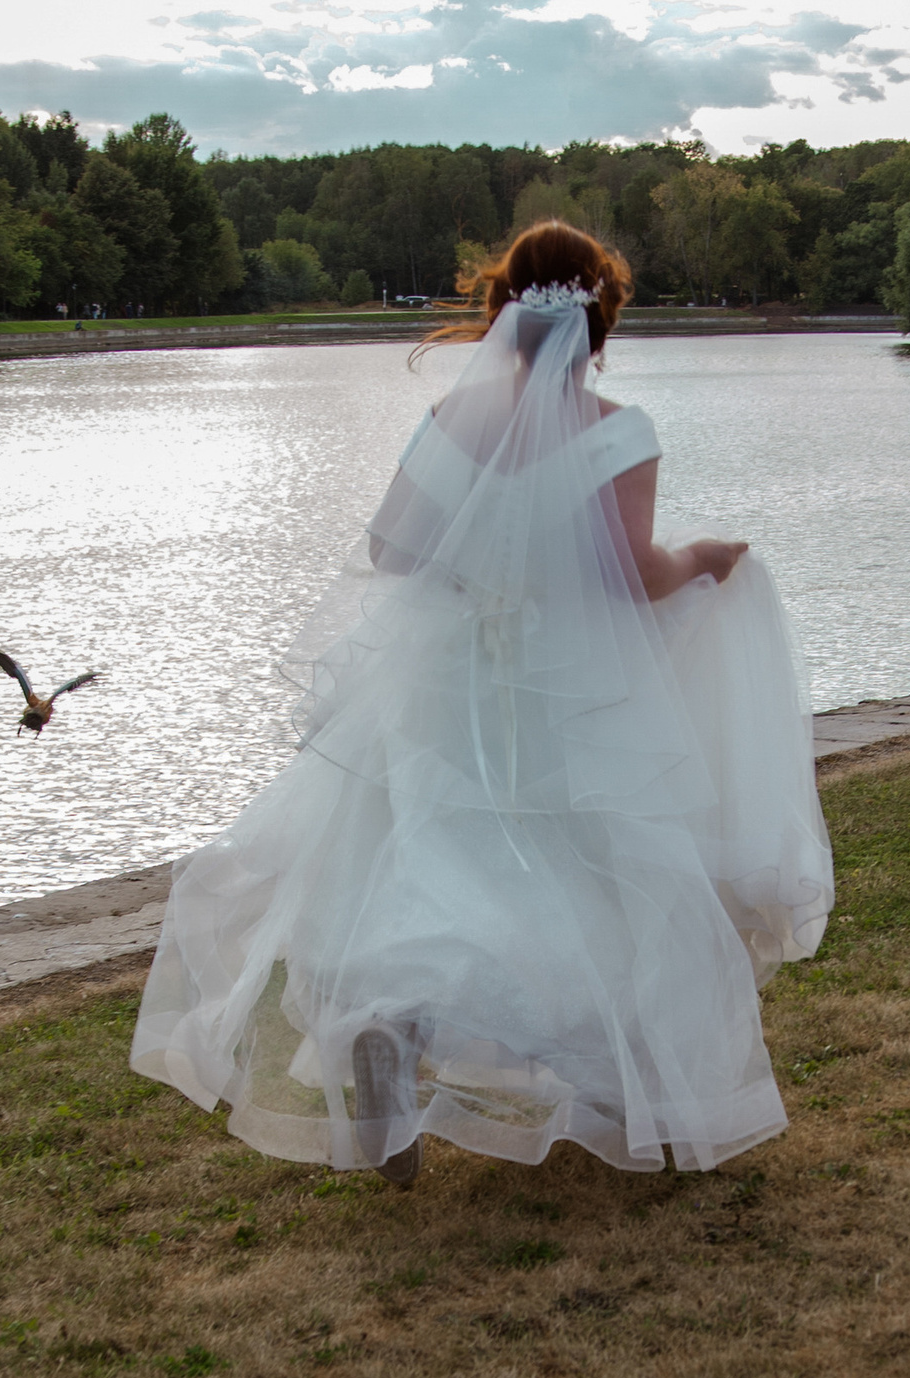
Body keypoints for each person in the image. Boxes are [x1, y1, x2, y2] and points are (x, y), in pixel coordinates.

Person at [130, 221, 832, 1183]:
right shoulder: (619, 429)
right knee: (593, 876)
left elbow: (390, 552)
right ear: (601, 323)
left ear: (501, 313)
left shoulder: (449, 424)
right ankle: (626, 1083)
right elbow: (631, 574)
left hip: (447, 680)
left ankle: (391, 1016)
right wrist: (706, 560)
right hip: (577, 692)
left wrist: (480, 562)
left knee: (440, 857)